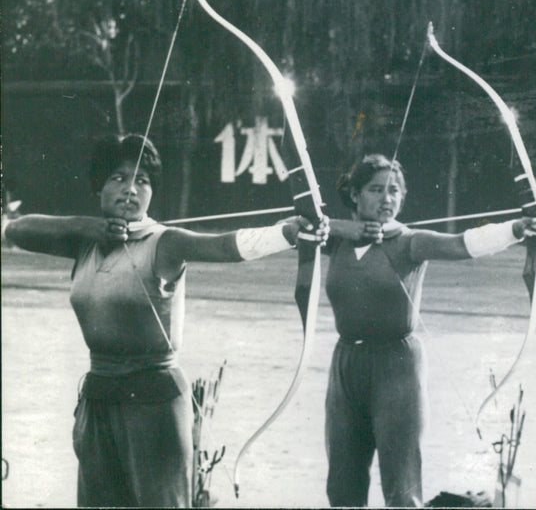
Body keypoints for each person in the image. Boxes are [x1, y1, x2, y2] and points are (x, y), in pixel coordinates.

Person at [5, 134, 328, 508]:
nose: (130, 189)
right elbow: (16, 229)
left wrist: (286, 234)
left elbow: (223, 245)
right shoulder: (84, 241)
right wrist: (86, 227)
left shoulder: (165, 241)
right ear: (99, 187)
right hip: (99, 400)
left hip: (154, 402)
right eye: (118, 178)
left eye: (142, 181)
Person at [322, 153, 536, 507]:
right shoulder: (334, 240)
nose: (387, 199)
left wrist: (516, 229)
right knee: (342, 482)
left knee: (401, 482)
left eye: (394, 190)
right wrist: (339, 227)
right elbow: (297, 225)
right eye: (376, 190)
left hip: (396, 365)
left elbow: (462, 244)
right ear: (354, 194)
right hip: (346, 362)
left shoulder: (410, 241)